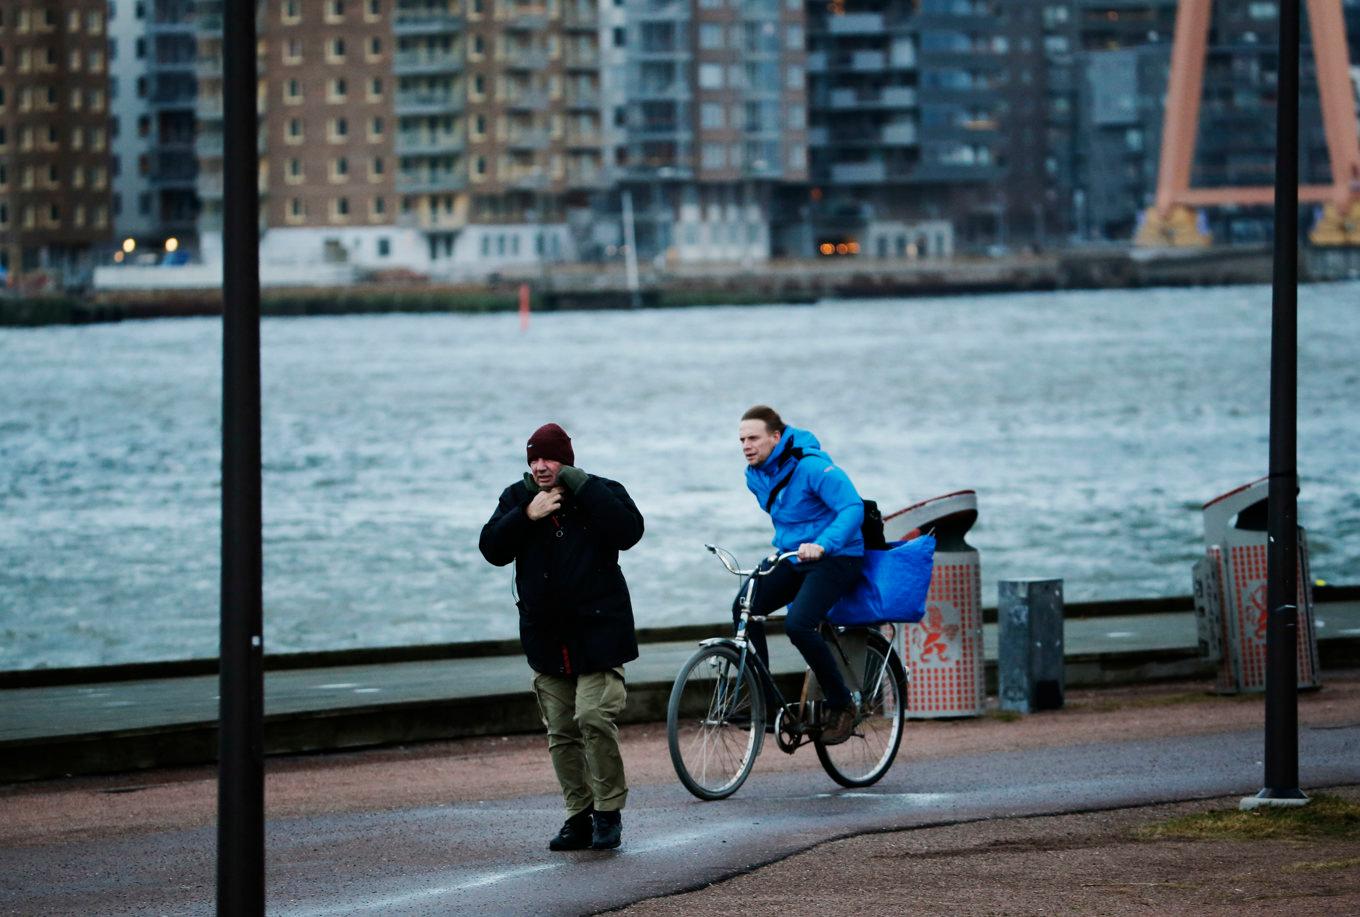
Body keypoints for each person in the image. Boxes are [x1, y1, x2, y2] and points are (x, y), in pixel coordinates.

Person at [479, 422, 645, 851]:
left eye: (548, 458)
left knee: (592, 717)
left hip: (599, 632)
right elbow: (492, 550)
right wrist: (526, 515)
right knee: (561, 731)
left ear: (566, 459)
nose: (540, 466)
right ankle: (579, 816)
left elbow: (629, 532)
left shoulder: (602, 491)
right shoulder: (517, 498)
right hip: (546, 637)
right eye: (533, 458)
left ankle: (608, 812)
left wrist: (583, 487)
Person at [736, 405, 864, 744]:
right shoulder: (755, 475)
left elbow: (853, 507)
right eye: (742, 440)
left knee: (799, 625)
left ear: (776, 437)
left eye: (754, 438)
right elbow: (791, 519)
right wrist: (790, 548)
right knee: (745, 609)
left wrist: (823, 544)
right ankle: (761, 701)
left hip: (837, 555)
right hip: (794, 556)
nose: (747, 445)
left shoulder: (812, 467)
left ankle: (842, 704)